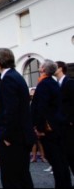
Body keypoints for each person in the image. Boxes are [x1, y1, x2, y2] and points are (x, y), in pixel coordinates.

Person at [0, 48, 35, 188]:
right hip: (19, 136)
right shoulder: (15, 76)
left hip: (13, 139)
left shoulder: (9, 79)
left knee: (12, 178)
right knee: (22, 176)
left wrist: (7, 136)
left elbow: (11, 110)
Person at [30, 59, 71, 188]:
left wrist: (40, 127)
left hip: (49, 130)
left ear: (43, 69)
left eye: (41, 66)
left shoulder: (44, 84)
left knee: (57, 161)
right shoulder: (52, 83)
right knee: (60, 161)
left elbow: (42, 107)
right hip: (56, 127)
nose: (39, 67)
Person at [55, 60, 74, 176]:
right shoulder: (58, 83)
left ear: (61, 68)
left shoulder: (69, 82)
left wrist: (71, 120)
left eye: (55, 67)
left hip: (70, 124)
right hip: (63, 125)